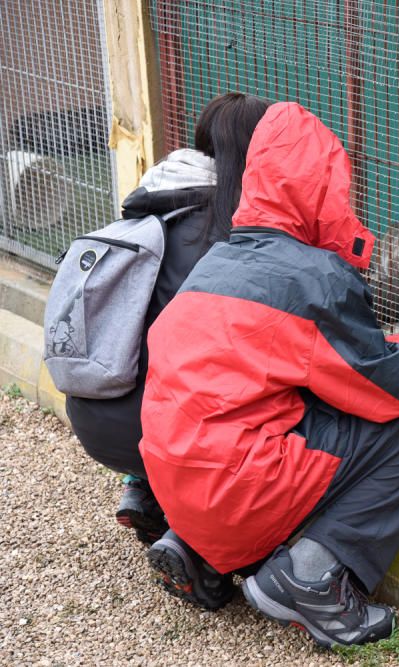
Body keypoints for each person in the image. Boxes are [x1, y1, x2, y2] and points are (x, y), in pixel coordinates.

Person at [140, 102, 399, 645]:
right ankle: (312, 575)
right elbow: (390, 389)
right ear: (322, 189)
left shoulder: (215, 263)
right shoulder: (310, 277)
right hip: (235, 491)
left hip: (173, 485)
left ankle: (199, 551)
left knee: (272, 404)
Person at [63, 93, 270, 544]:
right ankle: (192, 533)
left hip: (89, 410)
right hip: (153, 429)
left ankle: (141, 487)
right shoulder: (223, 231)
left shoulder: (147, 202)